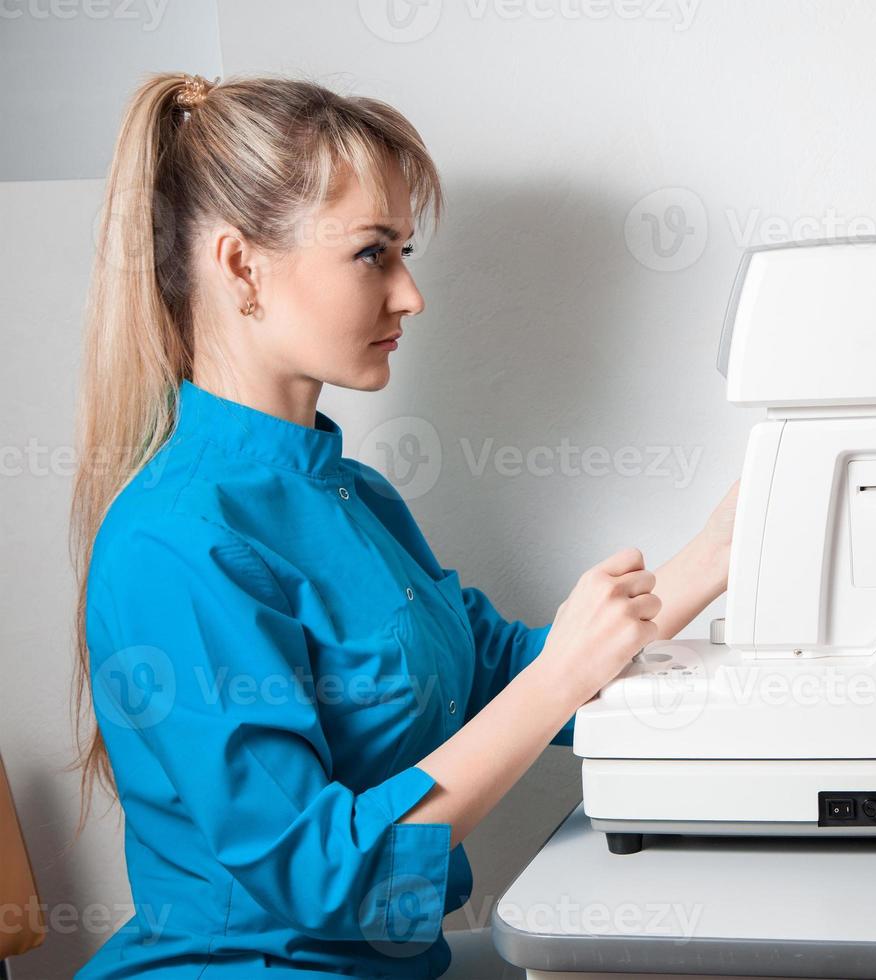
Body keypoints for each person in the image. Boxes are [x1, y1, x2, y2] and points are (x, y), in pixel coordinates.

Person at [71, 72, 736, 977]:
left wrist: (720, 552)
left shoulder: (356, 495)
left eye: (404, 252)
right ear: (240, 267)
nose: (410, 294)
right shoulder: (173, 543)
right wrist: (560, 676)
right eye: (372, 254)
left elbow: (505, 668)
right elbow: (323, 873)